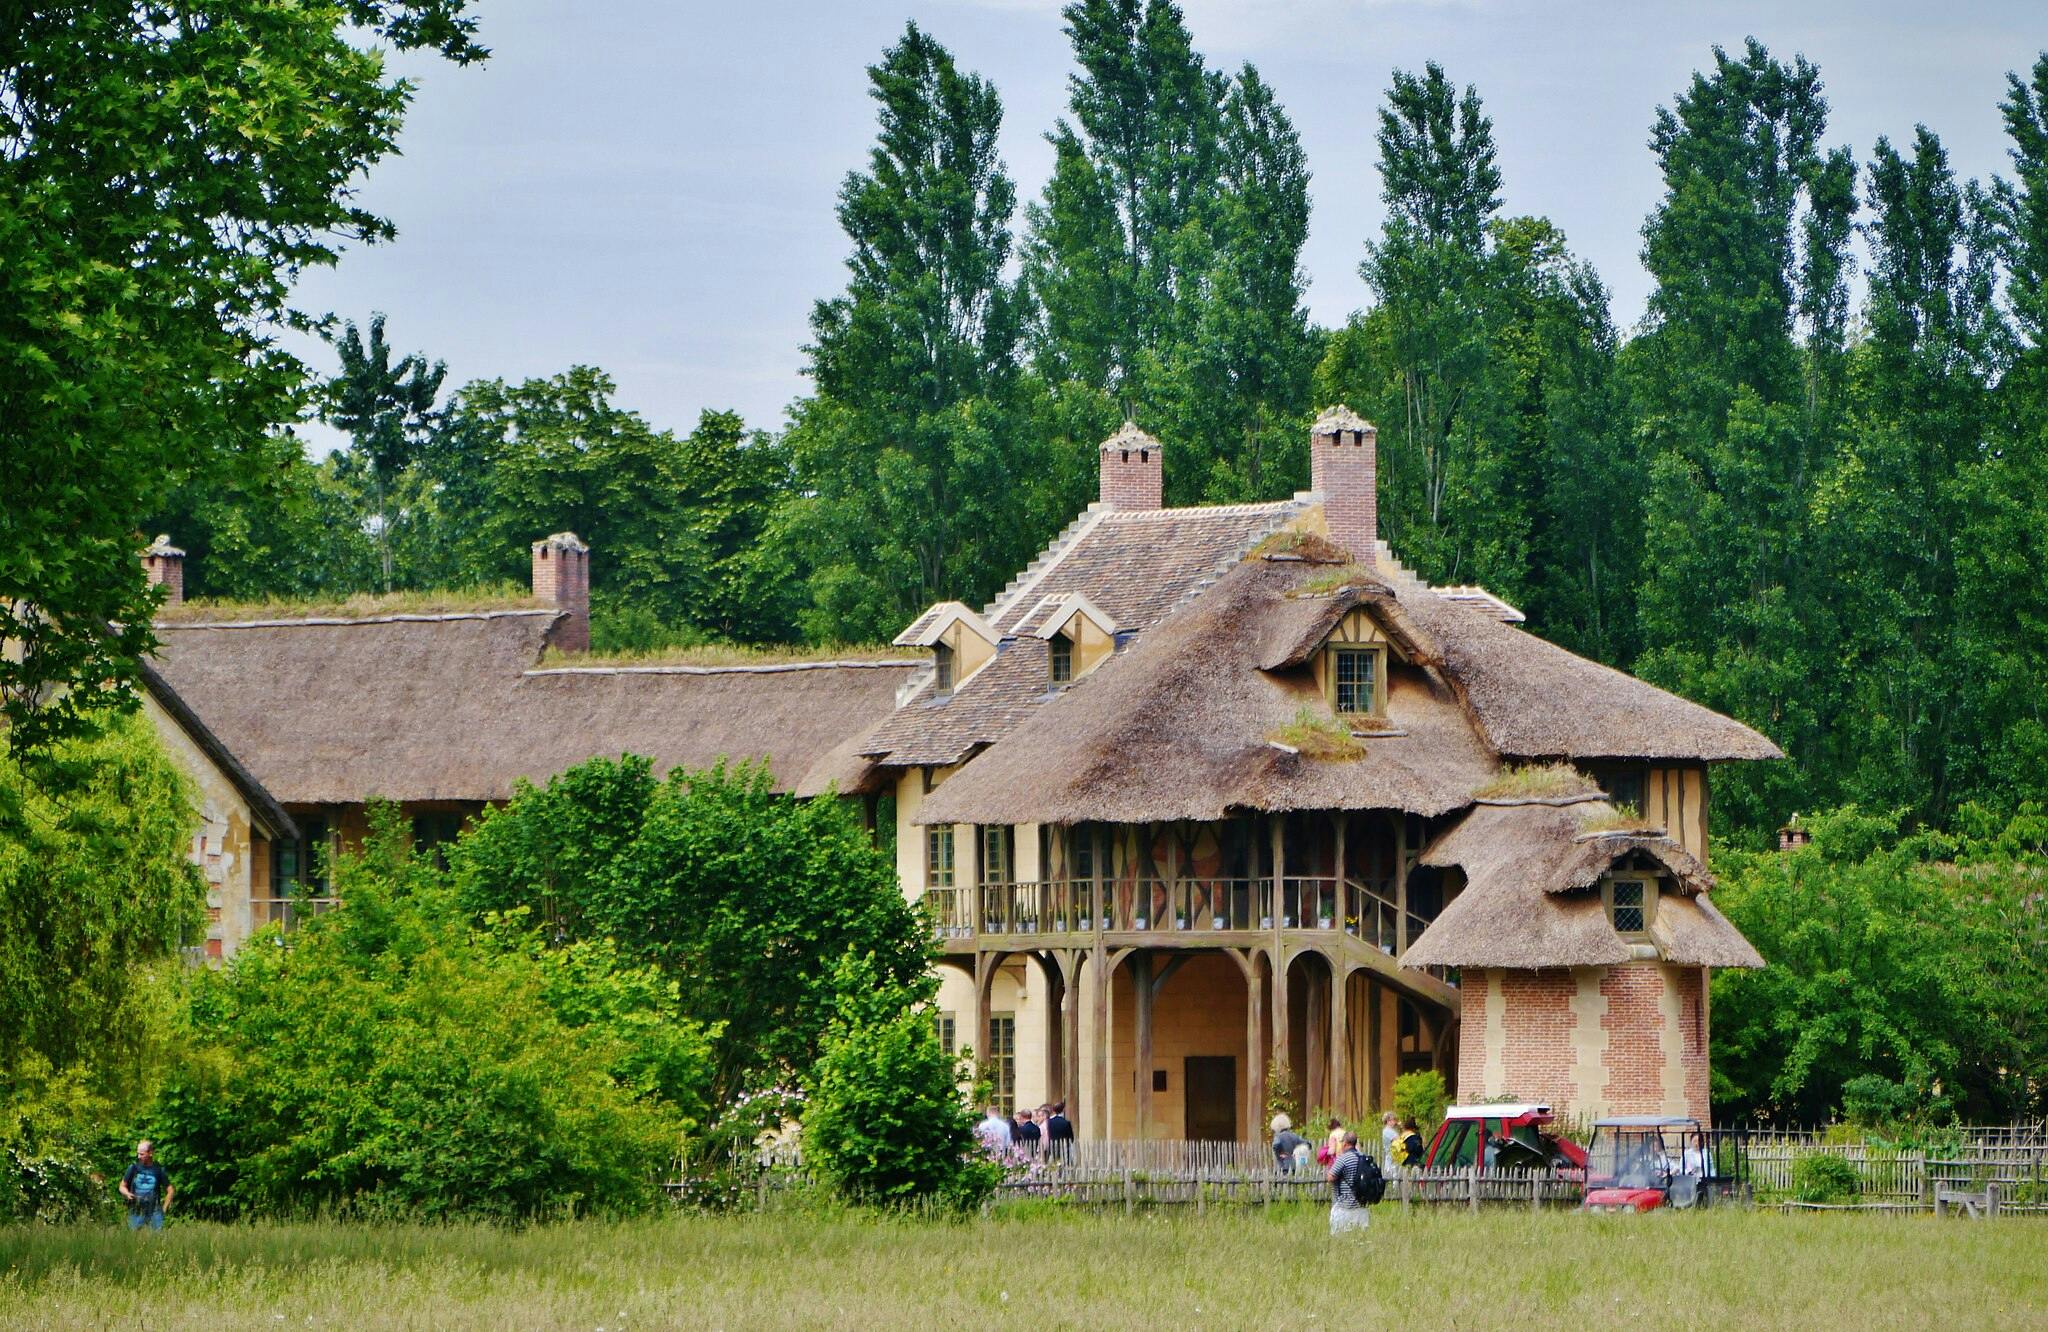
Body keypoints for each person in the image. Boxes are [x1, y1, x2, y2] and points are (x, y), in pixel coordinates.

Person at [120, 1140, 173, 1232]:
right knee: (133, 1238)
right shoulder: (133, 1167)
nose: (138, 1157)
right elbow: (122, 1186)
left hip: (154, 1210)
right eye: (138, 1154)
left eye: (142, 1154)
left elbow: (170, 1190)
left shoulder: (159, 1169)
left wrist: (164, 1208)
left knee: (157, 1239)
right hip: (136, 1209)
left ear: (150, 1153)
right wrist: (127, 1193)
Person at [1325, 1129, 1371, 1235]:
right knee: (1360, 1237)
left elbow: (1330, 1177)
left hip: (1345, 1206)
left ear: (1345, 1143)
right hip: (1361, 1205)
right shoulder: (1363, 1157)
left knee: (1340, 1237)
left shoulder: (1343, 1158)